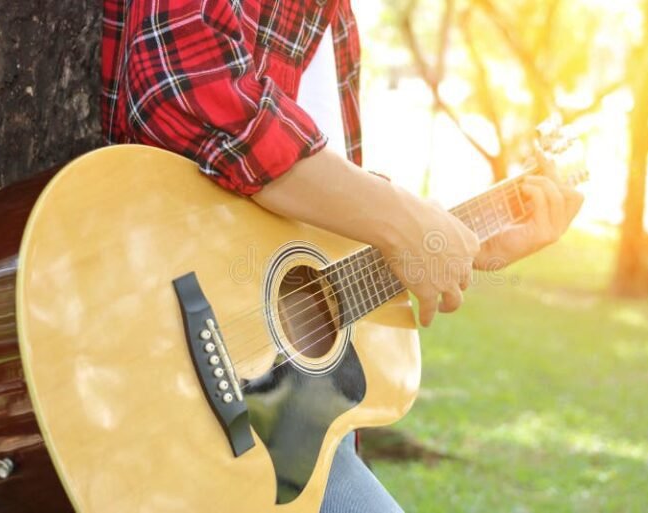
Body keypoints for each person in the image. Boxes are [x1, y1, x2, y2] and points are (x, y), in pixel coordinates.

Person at [102, 0, 583, 511]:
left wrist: (457, 240)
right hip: (149, 366)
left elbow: (307, 234)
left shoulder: (339, 24)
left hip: (278, 426)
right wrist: (398, 218)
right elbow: (185, 88)